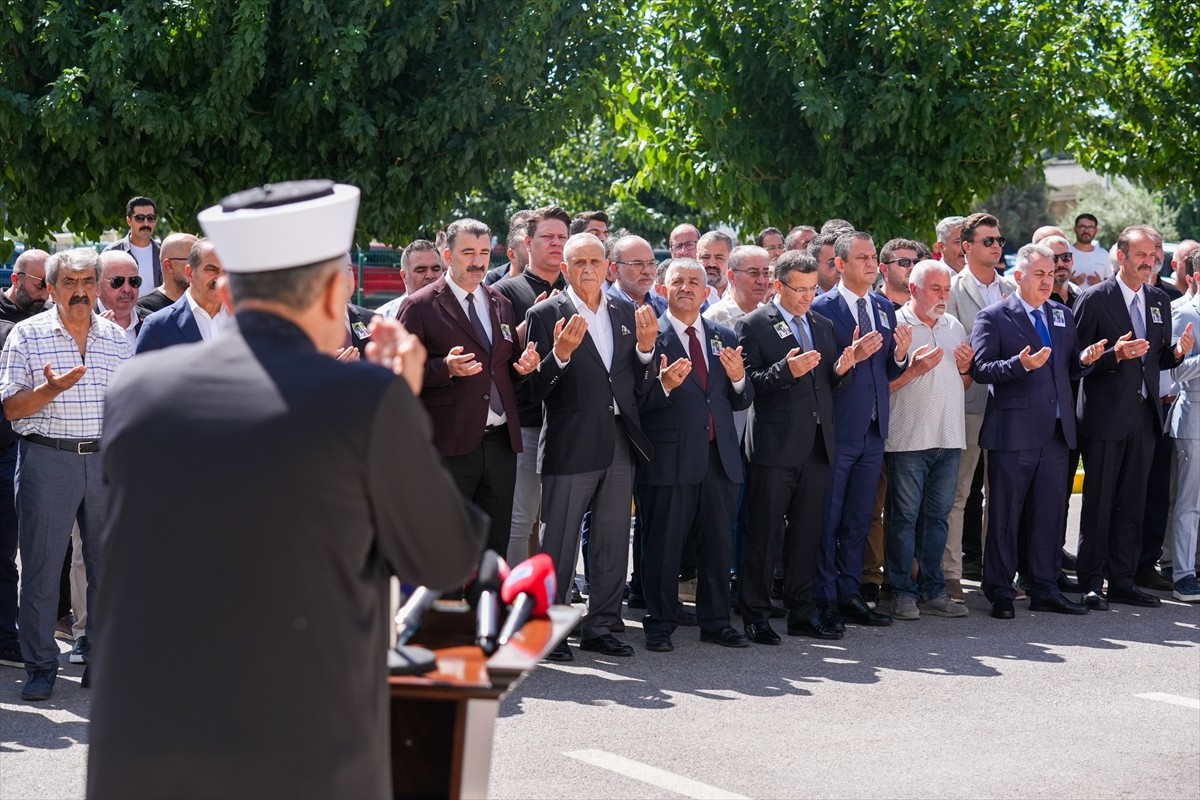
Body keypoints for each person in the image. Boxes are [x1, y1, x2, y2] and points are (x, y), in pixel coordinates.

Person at [87, 180, 485, 798]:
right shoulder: (364, 402)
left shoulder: (136, 390)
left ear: (230, 289)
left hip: (144, 753)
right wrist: (399, 404)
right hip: (298, 755)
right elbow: (445, 555)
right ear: (333, 291)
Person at [1, 248, 134, 701]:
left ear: (97, 286)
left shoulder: (117, 340)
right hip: (46, 460)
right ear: (52, 288)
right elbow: (11, 408)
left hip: (105, 462)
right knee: (40, 569)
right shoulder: (26, 335)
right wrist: (49, 390)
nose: (79, 291)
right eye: (69, 282)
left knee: (107, 569)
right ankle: (40, 665)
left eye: (86, 281)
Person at [524, 233, 657, 660]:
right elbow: (531, 391)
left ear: (608, 267)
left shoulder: (626, 310)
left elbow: (636, 383)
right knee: (558, 542)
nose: (587, 269)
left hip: (619, 440)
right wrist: (559, 355)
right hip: (571, 443)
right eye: (577, 261)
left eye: (595, 261)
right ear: (564, 268)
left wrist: (646, 350)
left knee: (613, 539)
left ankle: (601, 625)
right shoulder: (545, 314)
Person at [971, 244, 1105, 619]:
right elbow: (982, 369)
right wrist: (1020, 363)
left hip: (1057, 432)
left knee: (1050, 514)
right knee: (1005, 515)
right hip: (1013, 431)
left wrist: (1085, 359)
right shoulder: (994, 316)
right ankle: (999, 588)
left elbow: (1069, 366)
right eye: (1039, 274)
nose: (1047, 281)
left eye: (1051, 274)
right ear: (1019, 276)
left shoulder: (1062, 315)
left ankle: (1044, 586)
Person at [400, 218, 540, 557]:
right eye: (467, 253)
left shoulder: (499, 303)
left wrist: (523, 368)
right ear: (448, 255)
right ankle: (443, 612)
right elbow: (399, 376)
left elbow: (503, 366)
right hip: (449, 445)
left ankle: (486, 610)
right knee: (445, 546)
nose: (478, 261)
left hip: (500, 446)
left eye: (483, 252)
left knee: (493, 547)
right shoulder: (419, 306)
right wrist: (442, 368)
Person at [736, 250, 851, 643]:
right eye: (799, 290)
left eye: (812, 289)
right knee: (765, 535)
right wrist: (786, 371)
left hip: (817, 445)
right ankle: (754, 613)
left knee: (807, 534)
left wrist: (843, 367)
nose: (806, 297)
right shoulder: (753, 324)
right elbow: (749, 384)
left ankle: (802, 612)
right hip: (774, 446)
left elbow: (827, 385)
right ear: (778, 285)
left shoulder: (821, 323)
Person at [638, 259, 753, 652]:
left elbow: (742, 399)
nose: (686, 288)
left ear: (708, 293)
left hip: (719, 458)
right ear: (662, 288)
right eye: (678, 281)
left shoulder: (724, 334)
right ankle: (659, 623)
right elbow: (636, 399)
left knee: (718, 545)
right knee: (664, 544)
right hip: (670, 457)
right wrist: (664, 386)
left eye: (694, 282)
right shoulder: (651, 334)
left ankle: (716, 621)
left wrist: (739, 377)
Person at [1074, 225, 1191, 609]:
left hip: (1144, 416)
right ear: (1121, 257)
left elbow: (1156, 359)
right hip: (1105, 418)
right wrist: (1113, 356)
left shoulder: (1158, 299)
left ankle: (1123, 580)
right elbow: (1077, 362)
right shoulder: (1094, 299)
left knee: (1133, 501)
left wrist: (1176, 353)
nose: (1149, 260)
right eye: (1141, 255)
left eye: (1152, 255)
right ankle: (1092, 580)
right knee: (1100, 501)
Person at [810, 231, 912, 631]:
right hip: (838, 430)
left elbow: (886, 369)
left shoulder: (885, 307)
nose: (871, 264)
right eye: (862, 258)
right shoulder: (822, 308)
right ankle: (824, 596)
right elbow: (822, 374)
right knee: (828, 518)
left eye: (873, 257)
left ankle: (850, 593)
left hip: (874, 430)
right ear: (839, 265)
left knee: (860, 517)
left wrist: (901, 355)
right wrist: (847, 359)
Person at [884, 260, 972, 621]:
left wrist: (966, 369)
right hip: (907, 440)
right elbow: (882, 387)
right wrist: (912, 367)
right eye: (935, 288)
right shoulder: (896, 326)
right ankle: (901, 591)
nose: (943, 295)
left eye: (946, 289)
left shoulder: (954, 326)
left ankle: (933, 590)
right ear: (913, 288)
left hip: (949, 438)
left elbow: (963, 384)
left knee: (937, 518)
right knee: (904, 518)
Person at [943, 213, 1017, 600]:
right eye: (988, 240)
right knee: (959, 492)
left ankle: (999, 574)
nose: (996, 246)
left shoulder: (1011, 288)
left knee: (1001, 492)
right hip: (969, 400)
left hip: (1008, 402)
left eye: (999, 240)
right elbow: (957, 350)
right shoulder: (951, 289)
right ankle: (951, 573)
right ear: (965, 246)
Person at [1167, 250, 1200, 602]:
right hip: (1194, 415)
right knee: (1190, 502)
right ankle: (1183, 574)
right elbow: (1173, 370)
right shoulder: (1186, 314)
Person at [136, 237, 232, 352]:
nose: (220, 279)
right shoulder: (158, 326)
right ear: (190, 273)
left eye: (226, 271)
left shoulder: (247, 321)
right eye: (211, 269)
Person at [103, 195, 161, 295]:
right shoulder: (112, 252)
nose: (146, 223)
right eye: (140, 218)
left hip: (159, 310)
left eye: (151, 218)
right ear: (129, 220)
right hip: (123, 310)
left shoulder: (164, 252)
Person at [373, 239, 443, 318]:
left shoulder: (457, 311)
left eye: (436, 269)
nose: (430, 275)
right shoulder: (385, 318)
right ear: (404, 276)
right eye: (421, 270)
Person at [96, 251, 150, 347]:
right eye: (117, 281)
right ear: (98, 287)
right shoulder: (83, 324)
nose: (127, 289)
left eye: (134, 281)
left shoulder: (153, 322)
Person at [136, 232, 196, 314]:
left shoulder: (209, 305)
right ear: (169, 266)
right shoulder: (143, 309)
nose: (200, 267)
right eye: (193, 261)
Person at [1, 249, 51, 322]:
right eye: (39, 287)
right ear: (16, 280)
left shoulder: (52, 314)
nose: (45, 296)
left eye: (49, 288)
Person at [1069, 213, 1110, 287]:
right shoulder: (1066, 253)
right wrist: (1069, 283)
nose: (1086, 231)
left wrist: (1099, 283)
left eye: (1090, 227)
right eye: (1082, 227)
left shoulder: (1103, 254)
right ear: (1075, 229)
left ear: (1096, 230)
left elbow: (1110, 284)